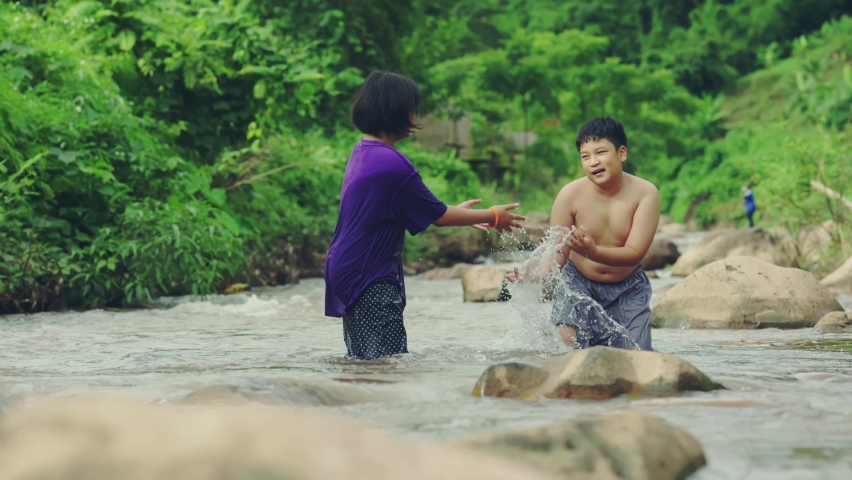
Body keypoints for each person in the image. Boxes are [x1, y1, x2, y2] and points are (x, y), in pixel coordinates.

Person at [324, 71, 525, 361]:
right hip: (369, 275)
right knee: (386, 363)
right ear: (394, 111)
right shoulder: (392, 163)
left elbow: (423, 208)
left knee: (363, 362)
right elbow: (440, 216)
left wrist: (462, 214)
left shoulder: (364, 151)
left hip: (347, 266)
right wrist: (494, 215)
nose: (415, 116)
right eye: (411, 108)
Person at [507, 117, 659, 351]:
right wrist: (534, 274)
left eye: (600, 152)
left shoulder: (645, 193)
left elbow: (634, 253)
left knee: (636, 356)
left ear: (622, 153)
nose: (593, 162)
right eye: (585, 156)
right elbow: (558, 255)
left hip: (628, 287)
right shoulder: (569, 196)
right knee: (568, 344)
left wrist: (593, 251)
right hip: (578, 284)